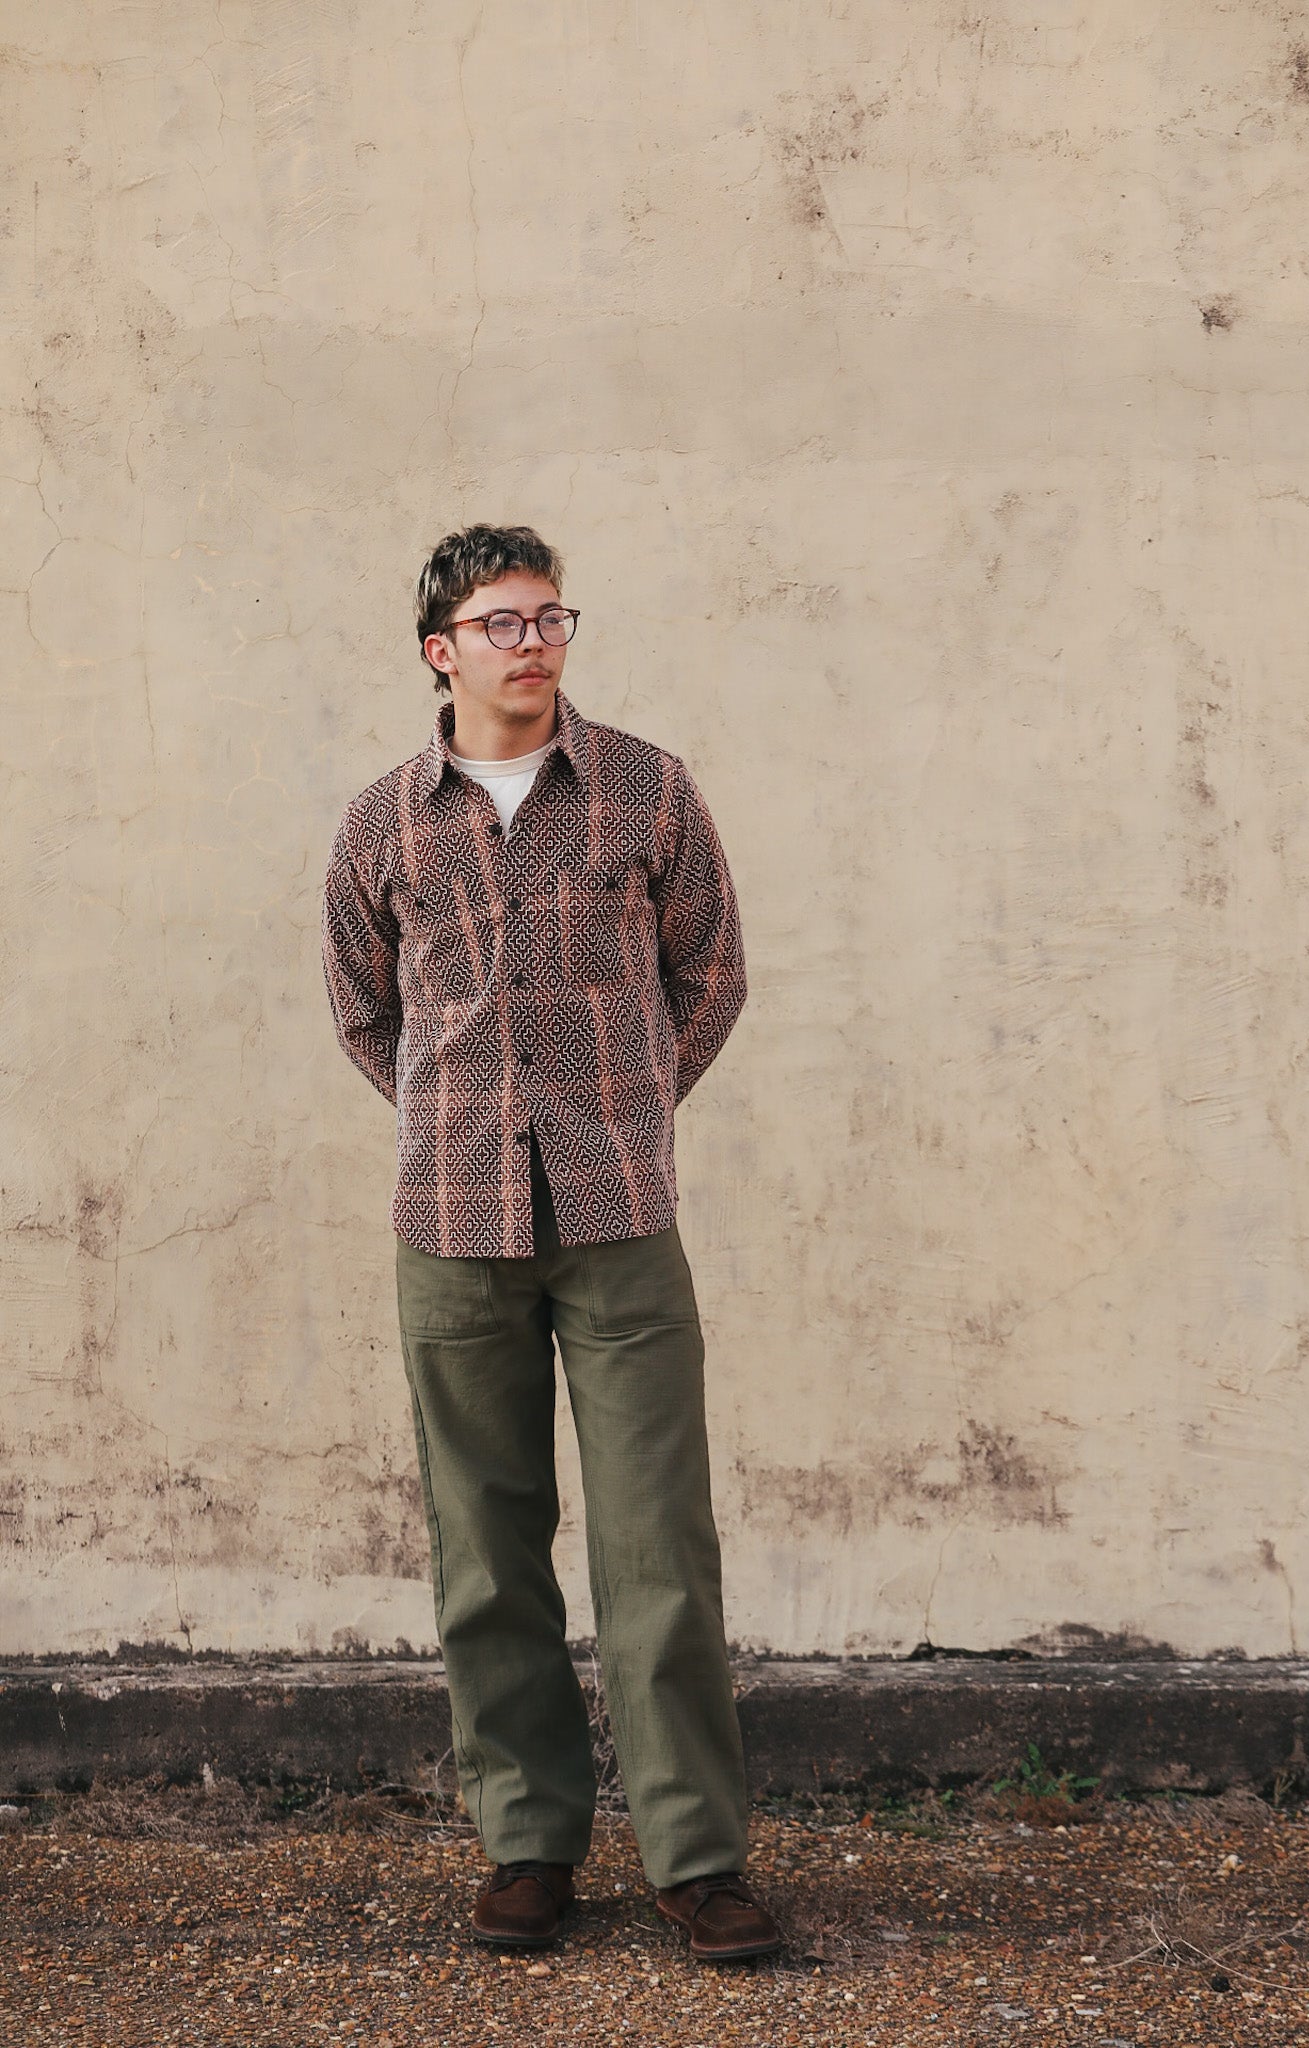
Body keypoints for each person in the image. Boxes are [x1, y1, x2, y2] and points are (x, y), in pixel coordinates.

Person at [320, 523, 780, 1962]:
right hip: (451, 1224)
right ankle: (527, 1845)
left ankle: (696, 1860)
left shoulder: (647, 789)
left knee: (660, 1547)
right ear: (439, 651)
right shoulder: (382, 823)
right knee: (484, 1546)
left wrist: (622, 1108)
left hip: (620, 1220)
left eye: (550, 618)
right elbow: (365, 1012)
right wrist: (461, 1120)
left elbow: (712, 974)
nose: (533, 644)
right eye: (501, 624)